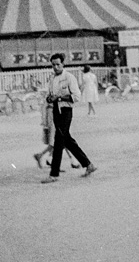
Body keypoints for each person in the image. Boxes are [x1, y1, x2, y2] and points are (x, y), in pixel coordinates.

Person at [41, 53, 96, 183]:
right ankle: (88, 165)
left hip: (66, 111)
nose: (55, 67)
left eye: (58, 64)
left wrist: (59, 98)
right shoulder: (52, 78)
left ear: (63, 64)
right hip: (56, 111)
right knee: (67, 140)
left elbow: (76, 96)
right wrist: (49, 98)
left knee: (59, 141)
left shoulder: (69, 77)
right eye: (53, 65)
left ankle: (54, 174)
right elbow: (50, 94)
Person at [34, 95, 80, 170]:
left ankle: (47, 158)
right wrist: (45, 121)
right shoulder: (52, 91)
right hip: (53, 116)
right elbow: (45, 106)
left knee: (61, 140)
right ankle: (71, 161)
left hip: (58, 114)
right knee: (58, 141)